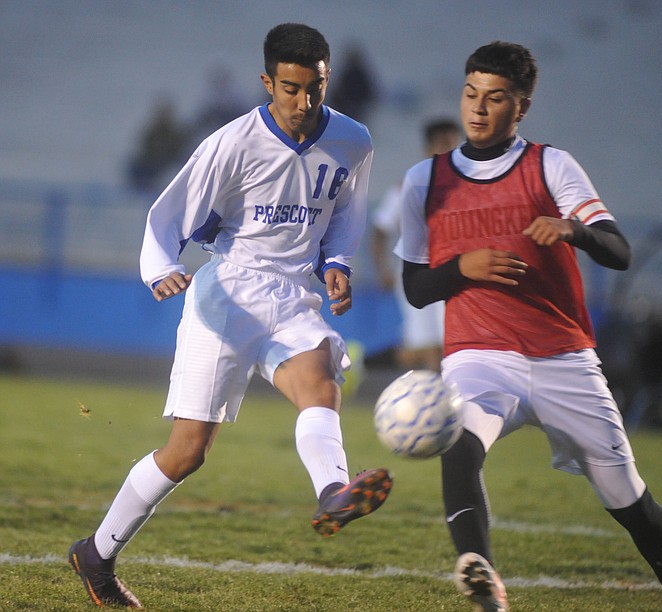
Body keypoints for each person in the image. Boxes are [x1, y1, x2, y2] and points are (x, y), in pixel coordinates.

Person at [68, 23, 392, 609]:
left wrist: (338, 262)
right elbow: (167, 214)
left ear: (328, 80)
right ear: (267, 82)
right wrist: (161, 266)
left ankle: (333, 494)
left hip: (294, 295)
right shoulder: (232, 143)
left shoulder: (353, 139)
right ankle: (97, 553)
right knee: (188, 451)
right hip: (228, 292)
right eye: (290, 89)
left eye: (315, 88)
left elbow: (346, 207)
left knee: (321, 384)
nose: (304, 102)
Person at [395, 41, 662, 612]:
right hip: (480, 355)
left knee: (628, 498)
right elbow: (417, 290)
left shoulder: (551, 166)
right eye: (470, 95)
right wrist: (462, 268)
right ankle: (478, 567)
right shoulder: (425, 181)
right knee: (457, 441)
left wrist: (574, 231)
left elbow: (619, 250)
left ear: (523, 105)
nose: (479, 109)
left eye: (495, 98)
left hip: (565, 359)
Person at [371, 119, 462, 372]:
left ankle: (368, 363)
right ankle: (436, 401)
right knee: (431, 346)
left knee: (443, 344)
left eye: (454, 145)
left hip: (454, 272)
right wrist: (383, 269)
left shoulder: (466, 189)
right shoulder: (408, 187)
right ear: (428, 149)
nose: (449, 152)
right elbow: (379, 230)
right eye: (443, 145)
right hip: (417, 272)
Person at [126, 94, 189, 194]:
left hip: (168, 165)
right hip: (152, 164)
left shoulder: (176, 133)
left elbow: (180, 151)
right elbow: (145, 149)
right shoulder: (152, 132)